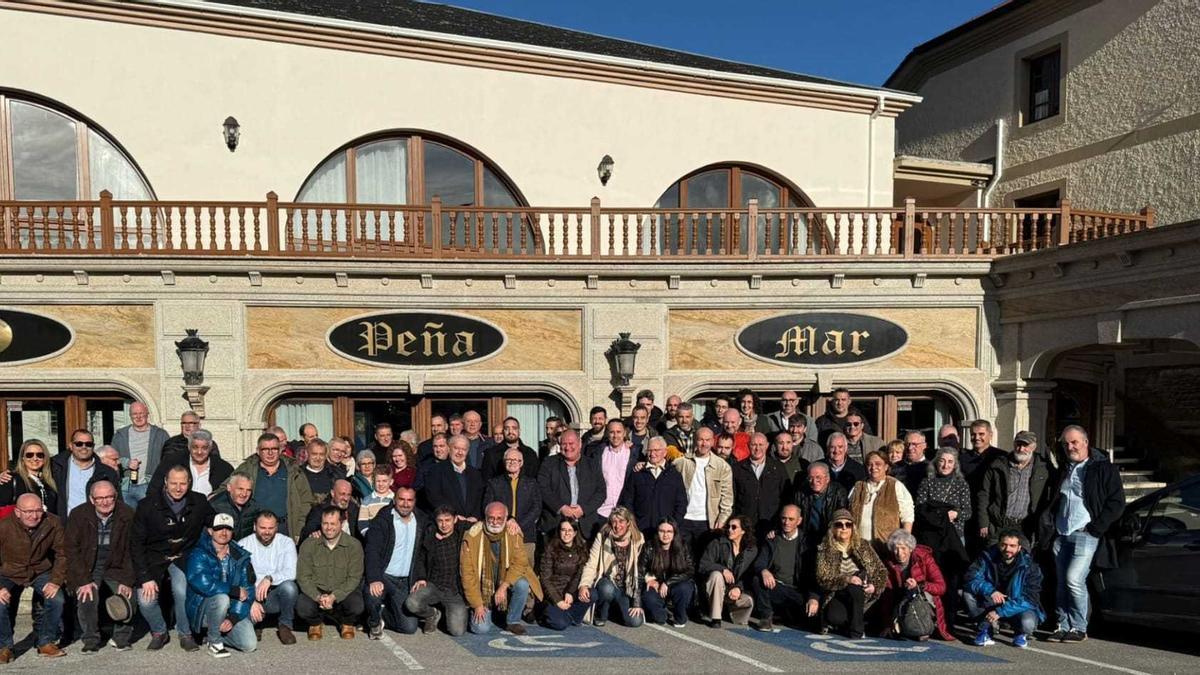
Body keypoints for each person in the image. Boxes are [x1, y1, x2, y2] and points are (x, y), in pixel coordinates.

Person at [1047, 425, 1124, 643]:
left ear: (1085, 442)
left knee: (1073, 580)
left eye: (1074, 442)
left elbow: (1117, 503)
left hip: (1086, 533)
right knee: (1061, 582)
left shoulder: (1103, 469)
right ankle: (1062, 625)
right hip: (1062, 532)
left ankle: (1079, 627)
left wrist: (1095, 527)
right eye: (1066, 443)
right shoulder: (1063, 468)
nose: (1070, 447)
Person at [132, 465, 214, 651]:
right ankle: (159, 631)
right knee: (146, 600)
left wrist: (214, 528)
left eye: (183, 483)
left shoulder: (198, 501)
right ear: (165, 483)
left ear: (189, 483)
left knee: (182, 591)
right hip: (154, 558)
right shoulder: (147, 505)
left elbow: (214, 520)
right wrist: (145, 577)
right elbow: (136, 544)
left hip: (184, 556)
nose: (178, 488)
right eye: (174, 483)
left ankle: (186, 633)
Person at [65, 479, 137, 652]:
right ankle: (91, 639)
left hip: (116, 565)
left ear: (116, 497)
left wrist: (127, 579)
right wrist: (83, 580)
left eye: (109, 497)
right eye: (99, 498)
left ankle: (121, 637)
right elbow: (71, 550)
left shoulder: (128, 514)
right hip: (89, 565)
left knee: (128, 596)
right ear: (92, 499)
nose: (105, 502)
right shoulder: (78, 514)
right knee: (87, 596)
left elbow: (133, 550)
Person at [0, 494, 67, 661]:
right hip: (10, 571)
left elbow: (63, 553)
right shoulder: (3, 526)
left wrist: (55, 581)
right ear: (17, 512)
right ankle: (4, 646)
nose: (34, 515)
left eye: (38, 510)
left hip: (39, 570)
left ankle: (45, 642)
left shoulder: (53, 522)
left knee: (56, 599)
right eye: (28, 511)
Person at [461, 502, 543, 635]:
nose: (494, 522)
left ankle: (513, 621)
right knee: (480, 629)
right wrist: (477, 604)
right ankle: (486, 610)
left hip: (503, 582)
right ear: (485, 518)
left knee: (522, 584)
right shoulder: (472, 536)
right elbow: (467, 575)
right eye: (491, 518)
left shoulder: (513, 533)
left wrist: (504, 586)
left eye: (499, 518)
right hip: (482, 589)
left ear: (506, 518)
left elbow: (520, 563)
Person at [185, 513, 256, 658]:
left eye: (228, 529)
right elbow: (201, 581)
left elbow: (247, 589)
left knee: (249, 645)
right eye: (218, 528)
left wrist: (233, 618)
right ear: (210, 531)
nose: (223, 533)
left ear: (232, 532)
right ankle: (214, 642)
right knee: (222, 598)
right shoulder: (199, 552)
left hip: (231, 610)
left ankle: (210, 633)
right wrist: (233, 590)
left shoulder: (241, 557)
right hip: (204, 607)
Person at [963, 529, 1044, 648]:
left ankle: (1020, 633)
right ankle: (985, 630)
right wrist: (991, 591)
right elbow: (970, 579)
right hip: (991, 600)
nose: (1007, 549)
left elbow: (1030, 599)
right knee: (968, 593)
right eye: (1004, 545)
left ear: (1019, 547)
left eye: (1012, 546)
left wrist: (1000, 612)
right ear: (998, 544)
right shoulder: (986, 557)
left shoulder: (1029, 566)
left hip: (1016, 604)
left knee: (1028, 624)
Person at [364, 487, 427, 638]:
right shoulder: (382, 520)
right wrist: (374, 579)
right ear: (394, 500)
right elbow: (372, 550)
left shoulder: (422, 521)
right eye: (401, 499)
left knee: (409, 627)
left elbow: (423, 554)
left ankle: (383, 614)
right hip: (385, 576)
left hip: (405, 581)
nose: (405, 504)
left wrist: (420, 576)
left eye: (409, 500)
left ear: (414, 502)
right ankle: (373, 621)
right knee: (372, 595)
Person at [230, 432, 316, 541]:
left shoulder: (293, 470)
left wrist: (299, 527)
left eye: (274, 449)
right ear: (258, 451)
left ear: (280, 450)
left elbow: (306, 500)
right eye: (265, 449)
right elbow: (227, 487)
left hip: (285, 530)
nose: (270, 453)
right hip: (254, 531)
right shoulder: (247, 468)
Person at [815, 509, 886, 639]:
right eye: (839, 524)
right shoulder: (825, 548)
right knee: (834, 617)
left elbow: (881, 571)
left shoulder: (863, 545)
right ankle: (851, 622)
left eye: (848, 524)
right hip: (837, 592)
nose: (844, 528)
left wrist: (874, 586)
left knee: (856, 588)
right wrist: (847, 579)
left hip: (862, 592)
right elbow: (822, 578)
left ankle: (856, 632)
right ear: (832, 528)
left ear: (853, 527)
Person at [296, 506, 365, 640]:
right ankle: (315, 623)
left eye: (333, 523)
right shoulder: (309, 544)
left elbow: (354, 578)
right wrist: (317, 597)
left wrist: (334, 596)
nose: (328, 528)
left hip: (342, 590)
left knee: (357, 605)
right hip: (318, 590)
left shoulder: (354, 545)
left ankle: (347, 622)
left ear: (341, 523)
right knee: (302, 607)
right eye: (325, 523)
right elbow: (303, 577)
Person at [749, 505, 818, 632]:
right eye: (784, 518)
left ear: (799, 521)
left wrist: (813, 597)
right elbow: (759, 563)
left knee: (816, 623)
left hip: (798, 592)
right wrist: (764, 570)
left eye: (791, 519)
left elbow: (814, 574)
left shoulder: (807, 543)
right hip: (776, 587)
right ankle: (766, 616)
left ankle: (787, 615)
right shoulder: (772, 539)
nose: (786, 522)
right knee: (756, 579)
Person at [977, 431, 1053, 547]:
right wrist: (983, 522)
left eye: (1025, 445)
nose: (1021, 448)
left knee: (1022, 563)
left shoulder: (1043, 468)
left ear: (1034, 446)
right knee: (992, 561)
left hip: (1025, 527)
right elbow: (984, 494)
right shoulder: (998, 465)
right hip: (998, 525)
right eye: (1018, 444)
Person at [878, 529, 953, 641]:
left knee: (918, 595)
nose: (899, 553)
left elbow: (941, 587)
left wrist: (920, 586)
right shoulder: (889, 564)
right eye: (896, 549)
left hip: (923, 598)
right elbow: (887, 596)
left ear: (911, 548)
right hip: (901, 599)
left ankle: (924, 626)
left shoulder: (924, 558)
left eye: (903, 548)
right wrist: (886, 625)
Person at [405, 506, 469, 636]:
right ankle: (433, 614)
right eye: (440, 521)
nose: (444, 524)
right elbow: (421, 558)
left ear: (455, 519)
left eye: (447, 520)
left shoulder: (462, 533)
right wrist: (421, 577)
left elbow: (480, 523)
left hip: (455, 591)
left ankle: (450, 613)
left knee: (457, 631)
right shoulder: (430, 535)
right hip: (434, 585)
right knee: (412, 603)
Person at [239, 510, 299, 645]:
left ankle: (285, 626)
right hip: (252, 595)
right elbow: (238, 577)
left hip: (275, 595)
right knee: (246, 636)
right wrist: (250, 600)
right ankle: (257, 625)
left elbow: (292, 572)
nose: (267, 532)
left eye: (271, 528)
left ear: (276, 527)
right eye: (263, 528)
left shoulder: (286, 543)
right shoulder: (243, 544)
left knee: (290, 587)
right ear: (255, 527)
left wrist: (269, 578)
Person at [578, 506, 645, 627]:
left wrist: (637, 603)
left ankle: (615, 610)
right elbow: (591, 564)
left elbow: (640, 570)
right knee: (607, 589)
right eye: (614, 521)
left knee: (635, 621)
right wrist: (584, 584)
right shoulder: (603, 536)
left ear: (628, 523)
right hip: (607, 582)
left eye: (621, 521)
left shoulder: (638, 539)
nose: (617, 525)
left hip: (626, 588)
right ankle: (601, 613)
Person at [674, 426, 734, 556]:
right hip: (684, 519)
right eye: (701, 440)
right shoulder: (682, 462)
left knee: (704, 559)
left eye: (707, 440)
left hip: (708, 521)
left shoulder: (722, 466)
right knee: (683, 559)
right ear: (695, 440)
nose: (704, 443)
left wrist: (722, 518)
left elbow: (727, 497)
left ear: (713, 441)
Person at [538, 429, 607, 538]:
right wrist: (561, 507)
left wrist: (583, 509)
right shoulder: (549, 463)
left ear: (580, 444)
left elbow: (601, 492)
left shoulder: (592, 464)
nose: (567, 447)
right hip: (556, 526)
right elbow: (543, 488)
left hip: (585, 526)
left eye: (571, 443)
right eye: (564, 444)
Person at [619, 436, 687, 536]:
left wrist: (672, 525)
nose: (652, 454)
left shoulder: (674, 475)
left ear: (664, 452)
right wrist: (633, 524)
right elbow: (628, 501)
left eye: (656, 450)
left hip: (665, 532)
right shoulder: (637, 473)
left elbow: (681, 503)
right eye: (649, 450)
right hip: (640, 530)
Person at [849, 451, 914, 554]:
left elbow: (907, 516)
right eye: (870, 464)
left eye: (878, 464)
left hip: (886, 547)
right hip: (860, 547)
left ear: (886, 466)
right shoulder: (858, 487)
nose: (873, 467)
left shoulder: (896, 486)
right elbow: (847, 514)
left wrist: (904, 543)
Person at [698, 515, 756, 628]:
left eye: (734, 527)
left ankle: (727, 611)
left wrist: (739, 588)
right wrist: (722, 569)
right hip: (716, 588)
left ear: (743, 530)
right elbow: (703, 564)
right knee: (716, 575)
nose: (730, 530)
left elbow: (749, 574)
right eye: (728, 526)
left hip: (735, 591)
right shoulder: (718, 543)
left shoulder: (751, 549)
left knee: (748, 601)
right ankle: (716, 618)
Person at [483, 448, 541, 560]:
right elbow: (487, 506)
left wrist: (518, 525)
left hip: (526, 535)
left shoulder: (531, 483)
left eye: (515, 460)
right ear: (504, 462)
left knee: (525, 573)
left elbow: (537, 508)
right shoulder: (494, 483)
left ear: (521, 463)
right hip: (500, 533)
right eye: (509, 460)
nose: (512, 462)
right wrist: (509, 520)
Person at [111, 401, 170, 506]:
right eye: (134, 414)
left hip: (150, 485)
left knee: (149, 519)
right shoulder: (120, 435)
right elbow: (111, 459)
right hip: (125, 486)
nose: (138, 417)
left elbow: (168, 460)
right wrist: (127, 463)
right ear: (130, 416)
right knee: (128, 519)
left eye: (141, 413)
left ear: (147, 413)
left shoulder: (160, 435)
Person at [51, 428, 120, 516]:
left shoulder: (107, 473)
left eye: (88, 444)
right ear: (71, 446)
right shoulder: (56, 467)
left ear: (93, 446)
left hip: (95, 524)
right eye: (79, 444)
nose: (84, 447)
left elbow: (118, 502)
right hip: (67, 523)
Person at [640, 518, 696, 627]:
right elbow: (640, 570)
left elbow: (690, 570)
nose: (665, 535)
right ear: (657, 532)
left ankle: (680, 617)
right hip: (656, 585)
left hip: (677, 584)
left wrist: (668, 582)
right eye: (662, 531)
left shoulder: (683, 546)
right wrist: (648, 578)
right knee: (659, 618)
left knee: (684, 588)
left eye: (669, 531)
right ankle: (663, 613)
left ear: (674, 533)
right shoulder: (649, 547)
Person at [733, 432, 789, 538]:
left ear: (767, 446)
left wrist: (779, 524)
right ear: (748, 446)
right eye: (754, 445)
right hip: (745, 526)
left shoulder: (778, 468)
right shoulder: (737, 469)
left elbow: (785, 497)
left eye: (761, 445)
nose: (757, 448)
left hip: (771, 525)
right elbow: (733, 498)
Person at [539, 516, 591, 630]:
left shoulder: (581, 549)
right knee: (560, 624)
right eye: (563, 530)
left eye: (570, 530)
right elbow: (545, 579)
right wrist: (558, 600)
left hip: (571, 592)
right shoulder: (550, 549)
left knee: (592, 594)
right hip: (553, 594)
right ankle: (558, 614)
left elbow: (579, 574)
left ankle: (570, 616)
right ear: (559, 531)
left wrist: (570, 592)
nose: (566, 533)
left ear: (575, 532)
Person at [149, 430, 232, 497]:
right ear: (189, 447)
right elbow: (153, 490)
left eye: (204, 448)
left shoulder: (223, 468)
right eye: (195, 447)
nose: (199, 452)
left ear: (210, 448)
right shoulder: (172, 462)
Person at [423, 434, 486, 523]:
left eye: (463, 449)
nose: (460, 452)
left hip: (472, 523)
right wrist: (453, 515)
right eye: (456, 448)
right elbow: (434, 497)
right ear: (449, 449)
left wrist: (475, 516)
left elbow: (480, 498)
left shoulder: (475, 474)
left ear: (467, 451)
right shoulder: (435, 471)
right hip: (448, 523)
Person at [916, 446, 972, 544]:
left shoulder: (961, 484)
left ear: (955, 465)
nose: (946, 465)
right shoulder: (927, 482)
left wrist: (956, 514)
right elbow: (919, 509)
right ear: (936, 462)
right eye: (942, 461)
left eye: (950, 462)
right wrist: (939, 516)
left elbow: (967, 512)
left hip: (955, 535)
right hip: (931, 534)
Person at [792, 462, 849, 543]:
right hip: (806, 537)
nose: (814, 481)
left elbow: (841, 517)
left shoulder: (838, 492)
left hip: (830, 537)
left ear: (827, 479)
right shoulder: (801, 492)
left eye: (818, 477)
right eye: (810, 478)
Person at [0, 439, 59, 514]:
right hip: (19, 525)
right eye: (29, 455)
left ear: (45, 458)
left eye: (40, 455)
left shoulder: (50, 481)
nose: (35, 458)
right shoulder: (11, 479)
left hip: (47, 525)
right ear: (22, 458)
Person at [481, 417, 540, 481]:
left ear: (519, 431)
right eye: (507, 428)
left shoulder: (530, 453)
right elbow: (486, 481)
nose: (510, 431)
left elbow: (536, 479)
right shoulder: (491, 454)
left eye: (514, 428)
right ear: (503, 431)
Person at [211, 472, 261, 541]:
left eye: (248, 490)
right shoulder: (215, 506)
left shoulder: (254, 506)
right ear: (229, 487)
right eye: (240, 489)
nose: (244, 494)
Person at [961, 420, 1004, 494]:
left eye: (981, 434)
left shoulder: (1001, 457)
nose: (977, 438)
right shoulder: (962, 458)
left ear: (990, 435)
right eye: (973, 434)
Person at [300, 438, 344, 502]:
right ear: (307, 454)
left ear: (326, 455)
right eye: (314, 454)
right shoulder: (297, 474)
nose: (318, 458)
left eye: (321, 454)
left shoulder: (336, 474)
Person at [892, 430, 929, 497]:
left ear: (924, 446)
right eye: (907, 444)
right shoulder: (894, 468)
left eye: (914, 444)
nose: (910, 448)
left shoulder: (931, 468)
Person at [358, 467, 394, 534]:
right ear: (373, 481)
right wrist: (370, 537)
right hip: (373, 537)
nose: (381, 484)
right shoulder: (367, 500)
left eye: (384, 481)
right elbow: (362, 523)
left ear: (391, 482)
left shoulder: (395, 500)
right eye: (378, 481)